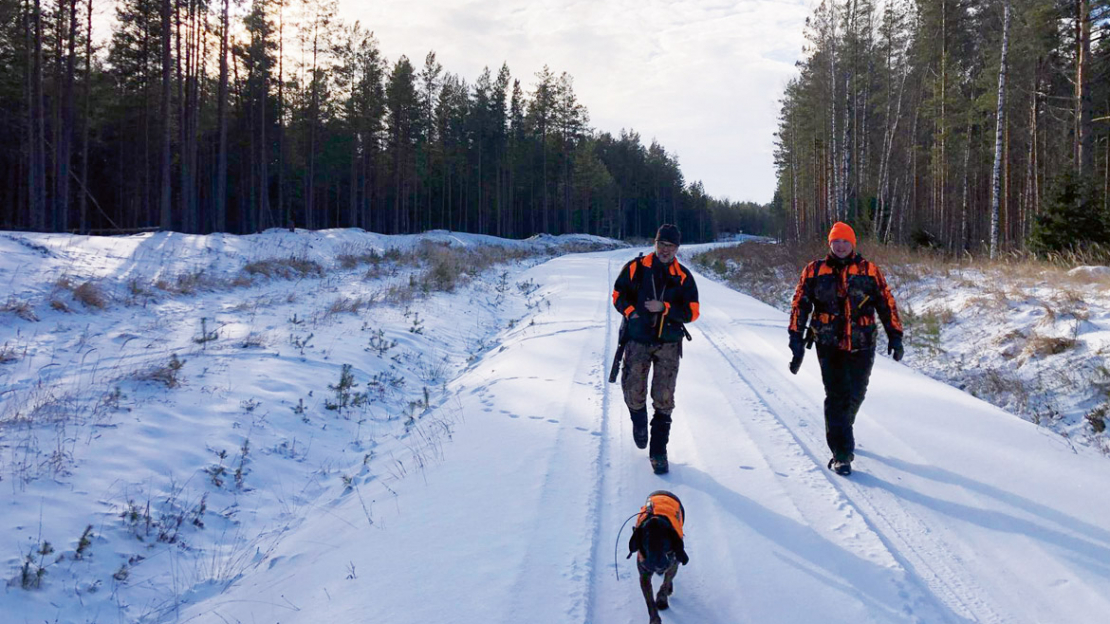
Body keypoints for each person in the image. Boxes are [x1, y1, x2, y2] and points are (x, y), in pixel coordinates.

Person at [788, 222, 904, 476]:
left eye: (845, 241)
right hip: (828, 344)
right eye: (836, 242)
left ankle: (843, 426)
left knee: (857, 393)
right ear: (830, 244)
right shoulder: (813, 271)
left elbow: (887, 303)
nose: (840, 246)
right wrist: (795, 339)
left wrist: (895, 336)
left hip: (863, 344)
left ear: (853, 243)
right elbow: (800, 305)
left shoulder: (869, 271)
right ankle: (842, 453)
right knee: (837, 395)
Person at [611, 224, 700, 474]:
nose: (665, 250)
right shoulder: (635, 268)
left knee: (664, 399)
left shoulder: (683, 276)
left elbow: (693, 311)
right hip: (637, 340)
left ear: (677, 249)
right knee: (632, 391)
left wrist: (666, 308)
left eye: (670, 246)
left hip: (668, 344)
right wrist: (632, 313)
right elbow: (618, 295)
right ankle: (638, 421)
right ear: (655, 243)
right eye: (661, 244)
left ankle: (658, 452)